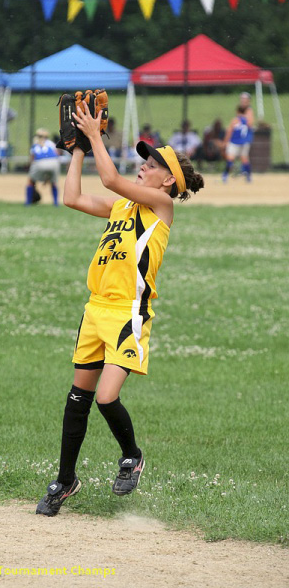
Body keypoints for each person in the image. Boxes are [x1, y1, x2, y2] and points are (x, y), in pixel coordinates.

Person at [36, 101, 204, 517]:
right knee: (78, 398)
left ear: (168, 182)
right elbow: (72, 198)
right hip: (96, 310)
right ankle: (65, 479)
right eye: (145, 160)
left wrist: (95, 135)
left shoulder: (160, 209)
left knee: (106, 398)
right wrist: (77, 149)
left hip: (129, 312)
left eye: (152, 164)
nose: (143, 165)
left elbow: (109, 178)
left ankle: (132, 455)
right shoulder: (123, 208)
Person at [26, 128, 60, 206]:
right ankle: (56, 203)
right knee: (53, 182)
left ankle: (27, 203)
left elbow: (32, 158)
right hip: (54, 162)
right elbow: (57, 154)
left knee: (31, 181)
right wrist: (47, 178)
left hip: (39, 162)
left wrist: (31, 169)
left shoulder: (35, 144)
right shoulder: (51, 143)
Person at [222, 106, 252, 182]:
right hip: (244, 143)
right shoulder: (247, 121)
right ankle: (248, 176)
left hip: (234, 142)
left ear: (237, 112)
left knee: (230, 159)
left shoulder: (235, 120)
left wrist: (225, 142)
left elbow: (230, 131)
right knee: (245, 159)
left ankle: (225, 176)